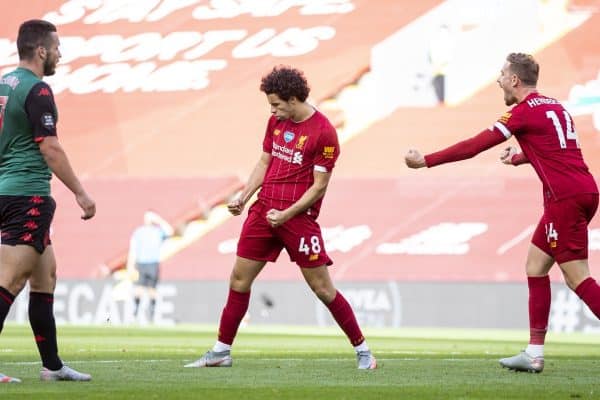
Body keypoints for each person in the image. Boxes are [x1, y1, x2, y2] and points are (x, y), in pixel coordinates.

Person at [405, 53, 600, 373]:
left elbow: (474, 145)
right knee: (535, 265)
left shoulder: (520, 114)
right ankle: (533, 352)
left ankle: (535, 354)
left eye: (501, 74)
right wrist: (522, 157)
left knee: (577, 278)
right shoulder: (555, 106)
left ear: (515, 80)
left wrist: (426, 160)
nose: (498, 80)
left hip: (564, 198)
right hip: (583, 190)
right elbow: (558, 149)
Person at [185, 66, 377, 370]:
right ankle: (221, 351)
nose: (272, 110)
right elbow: (265, 160)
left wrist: (286, 214)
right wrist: (243, 196)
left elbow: (319, 187)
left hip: (298, 218)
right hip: (264, 211)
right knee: (238, 279)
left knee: (323, 289)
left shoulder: (324, 133)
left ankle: (363, 351)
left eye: (275, 104)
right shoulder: (275, 122)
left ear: (293, 99)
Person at [0, 20, 96, 383]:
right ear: (41, 50)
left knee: (45, 278)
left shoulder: (4, 85)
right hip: (28, 194)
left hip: (8, 190)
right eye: (56, 47)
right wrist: (81, 193)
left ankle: (52, 366)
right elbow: (51, 149)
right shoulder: (38, 90)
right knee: (9, 281)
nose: (59, 53)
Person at [126, 210, 174, 322]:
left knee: (152, 290)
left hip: (153, 263)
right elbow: (133, 249)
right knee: (138, 289)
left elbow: (170, 231)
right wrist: (131, 265)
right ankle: (135, 313)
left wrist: (159, 220)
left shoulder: (158, 231)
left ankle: (152, 315)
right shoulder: (139, 232)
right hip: (141, 263)